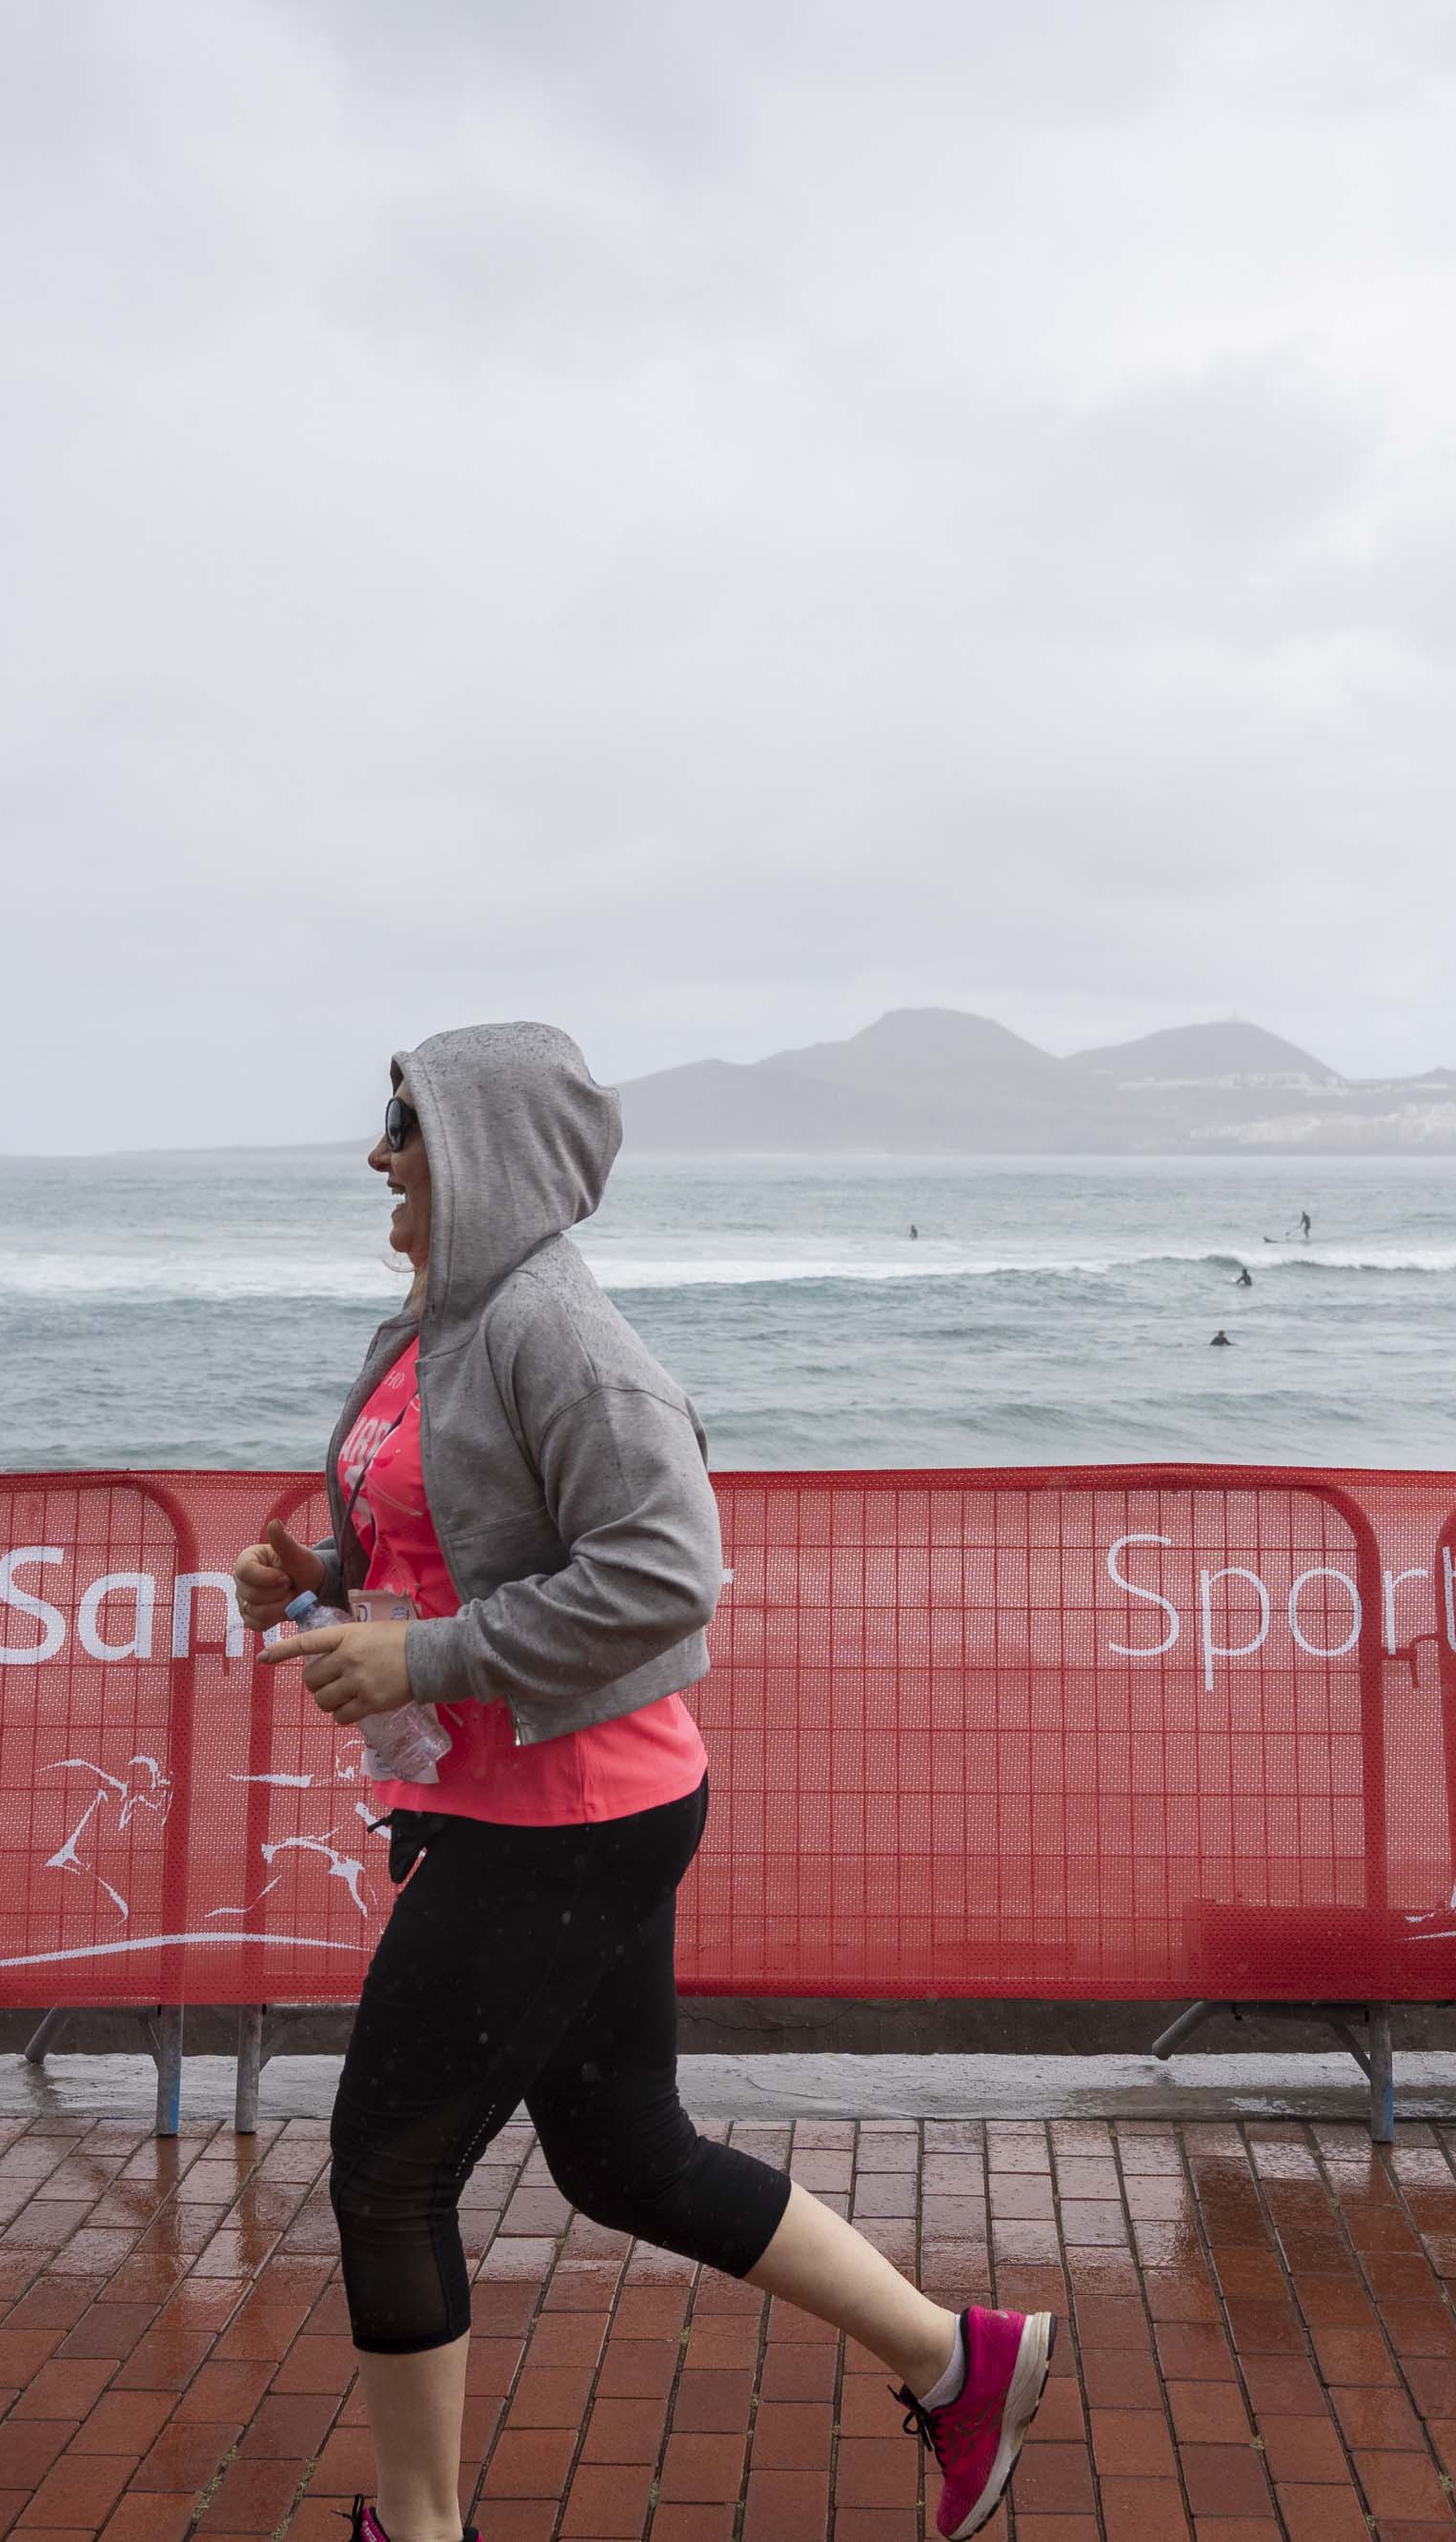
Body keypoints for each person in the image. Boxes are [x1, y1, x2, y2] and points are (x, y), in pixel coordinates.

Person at [242, 1024, 1055, 2542]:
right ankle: (961, 2361)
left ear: (482, 1150)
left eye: (404, 1125)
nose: (377, 1156)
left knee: (387, 2173)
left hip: (565, 1816)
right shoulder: (434, 1321)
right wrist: (321, 1584)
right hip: (537, 1803)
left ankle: (416, 2534)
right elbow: (452, 1542)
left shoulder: (561, 1333)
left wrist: (420, 1664)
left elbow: (670, 1572)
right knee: (627, 2157)